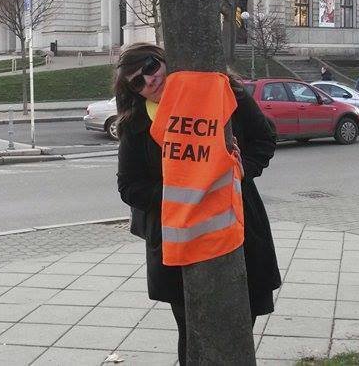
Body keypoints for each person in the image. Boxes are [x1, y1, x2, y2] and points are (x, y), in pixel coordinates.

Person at [114, 43, 280, 365]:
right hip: (179, 245)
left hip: (238, 229)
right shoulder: (136, 125)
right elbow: (129, 186)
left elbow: (264, 138)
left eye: (150, 66)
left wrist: (239, 170)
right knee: (193, 335)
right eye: (137, 81)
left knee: (241, 325)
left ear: (164, 59)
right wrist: (184, 189)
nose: (149, 80)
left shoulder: (223, 93)